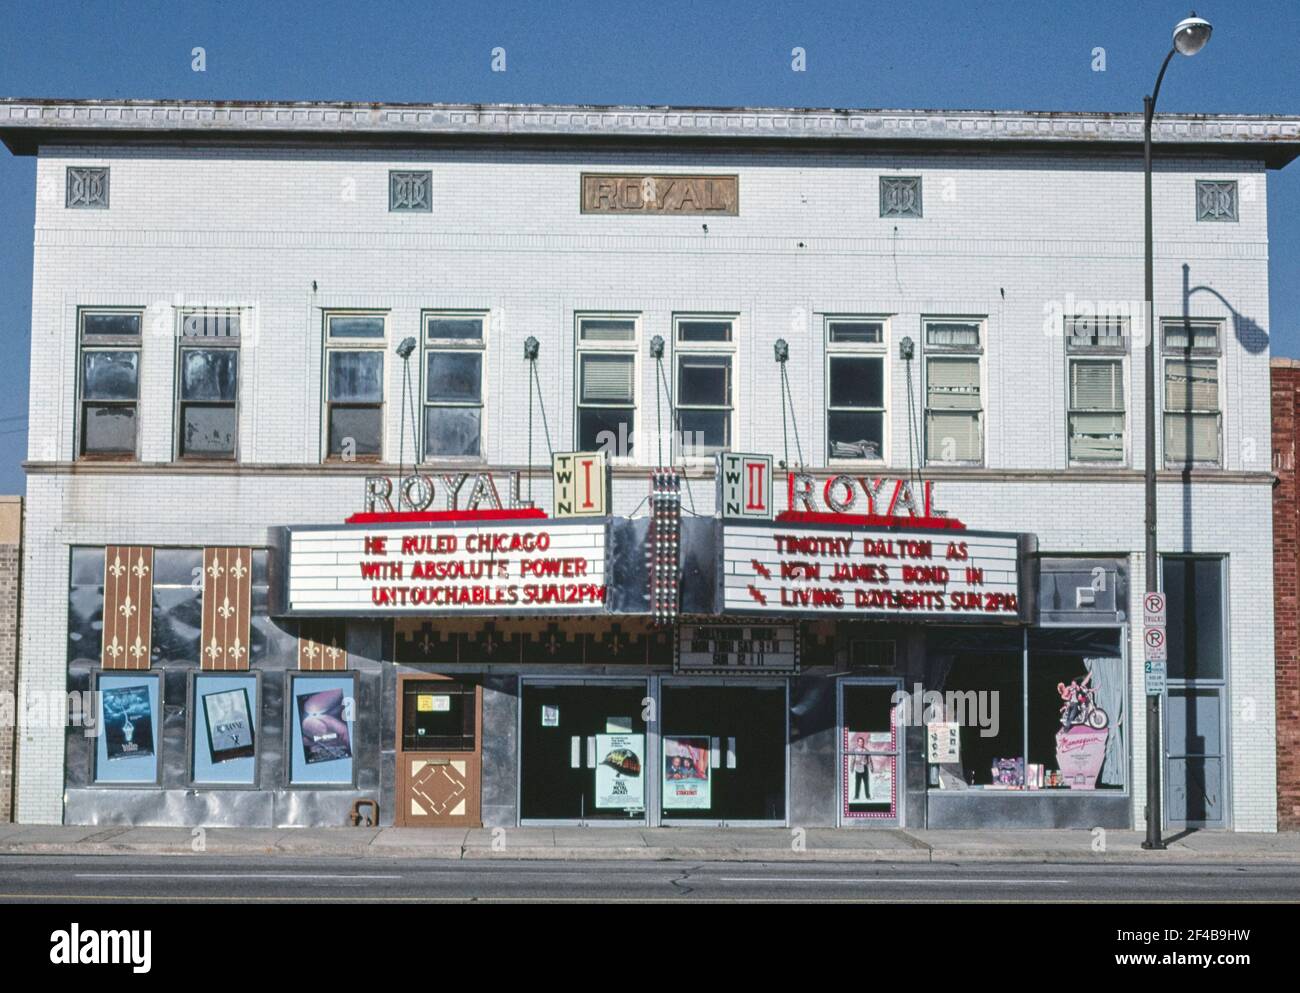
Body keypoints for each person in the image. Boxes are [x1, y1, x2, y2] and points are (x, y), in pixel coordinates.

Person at [850, 736, 870, 800]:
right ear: (857, 742)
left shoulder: (866, 750)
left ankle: (868, 796)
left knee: (866, 783)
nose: (861, 743)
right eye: (860, 742)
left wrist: (871, 767)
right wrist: (851, 768)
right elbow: (853, 759)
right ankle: (856, 796)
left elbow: (869, 759)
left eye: (862, 742)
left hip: (865, 767)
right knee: (857, 783)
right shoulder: (855, 750)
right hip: (858, 767)